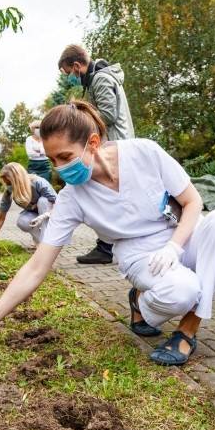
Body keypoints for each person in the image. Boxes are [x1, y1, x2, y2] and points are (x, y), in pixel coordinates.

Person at [0, 100, 215, 366]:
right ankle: (140, 301)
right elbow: (37, 266)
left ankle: (187, 331)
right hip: (139, 252)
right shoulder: (72, 198)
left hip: (180, 236)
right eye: (53, 161)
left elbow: (192, 202)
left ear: (93, 143)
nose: (60, 169)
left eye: (65, 156)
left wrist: (175, 247)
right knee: (184, 291)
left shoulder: (144, 153)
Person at [58, 43, 135, 265]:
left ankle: (106, 248)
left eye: (68, 73)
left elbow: (108, 115)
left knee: (106, 196)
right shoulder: (97, 79)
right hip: (115, 142)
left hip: (115, 144)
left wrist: (79, 114)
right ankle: (109, 246)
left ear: (76, 65)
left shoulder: (100, 79)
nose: (69, 78)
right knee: (113, 197)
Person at [0, 162, 57, 253]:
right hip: (34, 216)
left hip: (50, 214)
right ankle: (41, 240)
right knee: (22, 222)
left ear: (17, 180)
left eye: (10, 183)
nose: (8, 186)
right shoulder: (9, 191)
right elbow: (0, 217)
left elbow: (58, 205)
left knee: (43, 201)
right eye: (6, 183)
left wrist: (46, 215)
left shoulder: (38, 183)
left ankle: (46, 246)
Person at [25, 120, 52, 184]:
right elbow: (30, 153)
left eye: (40, 127)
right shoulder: (29, 139)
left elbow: (48, 151)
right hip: (33, 166)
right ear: (32, 129)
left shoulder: (46, 138)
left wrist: (38, 150)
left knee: (46, 184)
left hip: (45, 166)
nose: (38, 129)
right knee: (32, 185)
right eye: (37, 127)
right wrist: (42, 151)